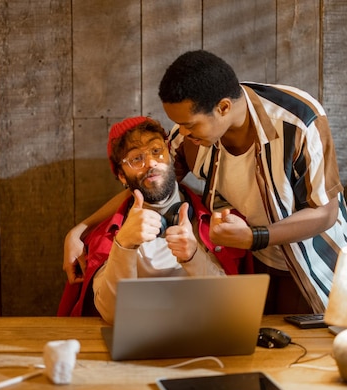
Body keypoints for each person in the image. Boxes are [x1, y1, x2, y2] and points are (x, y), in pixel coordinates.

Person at [63, 50, 347, 315]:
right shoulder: (193, 133)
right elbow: (147, 187)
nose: (180, 134)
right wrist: (80, 229)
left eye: (189, 124)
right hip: (253, 261)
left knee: (306, 349)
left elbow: (325, 213)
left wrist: (255, 236)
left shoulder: (299, 122)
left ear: (224, 108)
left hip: (310, 257)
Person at [57, 116, 252, 323]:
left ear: (170, 155)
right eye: (136, 158)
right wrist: (123, 246)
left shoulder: (215, 223)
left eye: (156, 151)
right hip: (136, 341)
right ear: (122, 176)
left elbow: (230, 304)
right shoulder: (108, 235)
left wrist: (193, 257)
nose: (150, 162)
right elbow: (113, 315)